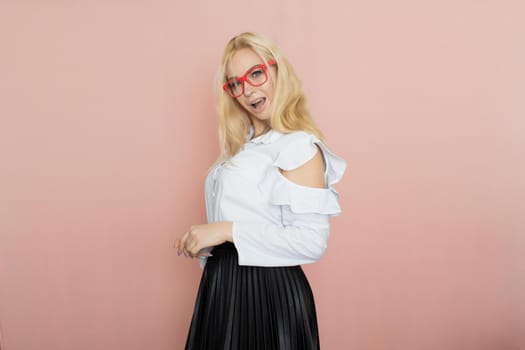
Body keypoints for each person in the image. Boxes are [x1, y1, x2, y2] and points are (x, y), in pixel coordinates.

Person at [174, 32, 347, 350]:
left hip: (266, 296)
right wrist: (207, 245)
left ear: (279, 70)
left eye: (256, 73)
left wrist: (225, 231)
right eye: (235, 83)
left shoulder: (297, 145)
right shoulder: (242, 148)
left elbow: (311, 242)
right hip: (222, 288)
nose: (247, 89)